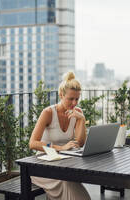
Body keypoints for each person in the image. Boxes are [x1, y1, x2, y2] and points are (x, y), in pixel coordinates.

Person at [29, 72, 91, 200]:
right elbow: (33, 143)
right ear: (61, 95)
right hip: (42, 164)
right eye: (71, 99)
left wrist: (82, 120)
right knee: (66, 181)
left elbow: (80, 142)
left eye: (77, 99)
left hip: (64, 163)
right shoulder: (48, 113)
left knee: (69, 179)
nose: (74, 103)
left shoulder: (77, 113)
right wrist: (60, 148)